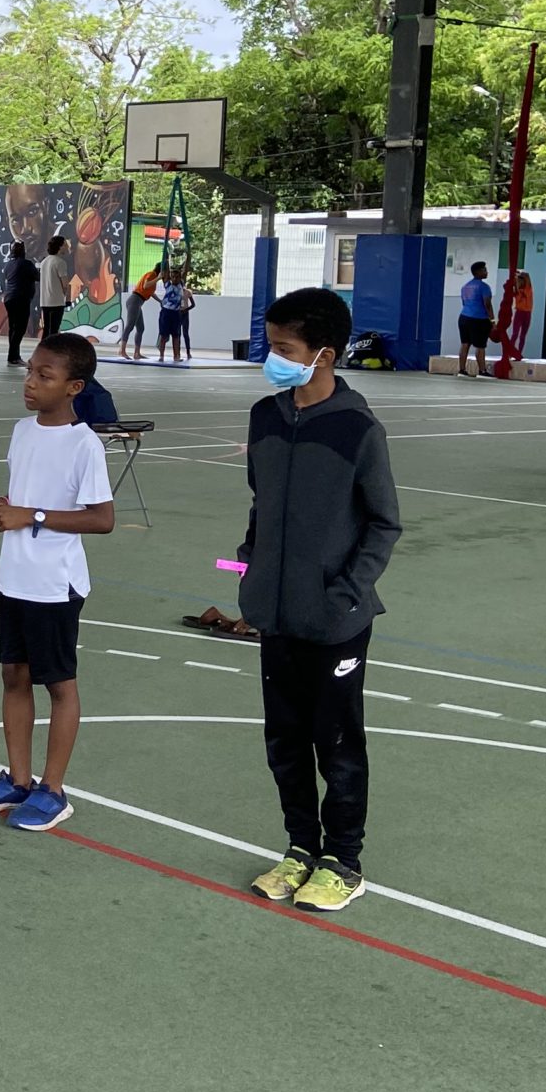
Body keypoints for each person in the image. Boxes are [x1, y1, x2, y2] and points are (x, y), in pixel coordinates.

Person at [238, 287, 402, 913]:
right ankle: (300, 849)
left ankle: (344, 861)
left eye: (284, 349)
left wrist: (344, 594)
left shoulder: (358, 430)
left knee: (336, 743)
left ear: (324, 355)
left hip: (337, 621)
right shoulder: (265, 416)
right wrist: (251, 572)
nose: (272, 358)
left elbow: (384, 523)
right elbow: (261, 506)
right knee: (284, 739)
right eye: (271, 345)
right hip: (276, 615)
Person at [0, 333, 116, 832]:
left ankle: (53, 789)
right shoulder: (22, 431)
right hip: (16, 576)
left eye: (43, 376)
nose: (29, 382)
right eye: (29, 371)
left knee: (59, 684)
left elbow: (102, 519)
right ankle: (18, 779)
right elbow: (26, 495)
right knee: (14, 676)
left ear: (74, 387)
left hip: (54, 583)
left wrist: (34, 516)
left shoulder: (84, 444)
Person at [457, 261, 495, 377]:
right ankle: (482, 371)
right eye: (484, 270)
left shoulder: (465, 287)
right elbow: (487, 304)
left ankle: (462, 370)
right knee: (480, 346)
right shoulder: (484, 287)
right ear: (478, 272)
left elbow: (464, 303)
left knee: (465, 344)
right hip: (478, 320)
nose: (487, 272)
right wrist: (493, 321)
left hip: (464, 318)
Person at [3, 239, 37, 367]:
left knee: (13, 328)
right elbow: (37, 276)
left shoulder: (8, 265)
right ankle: (13, 357)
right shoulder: (27, 264)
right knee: (20, 328)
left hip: (9, 298)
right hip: (21, 299)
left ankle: (13, 356)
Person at [121, 261, 159, 362]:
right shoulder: (152, 274)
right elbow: (146, 285)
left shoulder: (154, 279)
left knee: (141, 328)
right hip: (135, 300)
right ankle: (122, 350)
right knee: (130, 326)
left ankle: (137, 353)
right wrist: (158, 278)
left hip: (138, 302)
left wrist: (160, 301)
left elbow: (151, 292)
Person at [156, 264, 194, 364]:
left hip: (176, 313)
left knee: (176, 336)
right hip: (166, 312)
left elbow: (185, 271)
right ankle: (161, 355)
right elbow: (166, 273)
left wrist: (187, 258)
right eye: (173, 277)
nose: (175, 279)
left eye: (177, 277)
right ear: (170, 277)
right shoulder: (167, 284)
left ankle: (176, 356)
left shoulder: (181, 284)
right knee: (163, 335)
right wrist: (167, 261)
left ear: (180, 278)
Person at [37, 233, 72, 340]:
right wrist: (67, 298)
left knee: (46, 329)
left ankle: (43, 348)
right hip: (56, 301)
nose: (67, 247)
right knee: (54, 330)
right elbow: (65, 284)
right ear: (60, 247)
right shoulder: (60, 262)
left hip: (45, 301)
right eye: (65, 244)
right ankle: (53, 349)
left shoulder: (44, 262)